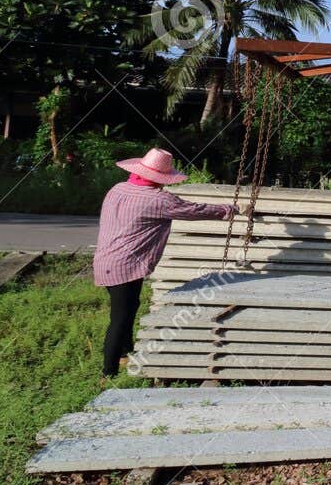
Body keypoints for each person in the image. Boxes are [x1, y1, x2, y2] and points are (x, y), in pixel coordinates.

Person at [92, 147, 235, 381]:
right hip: (125, 264)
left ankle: (124, 353)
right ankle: (108, 373)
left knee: (129, 306)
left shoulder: (117, 189)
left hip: (105, 259)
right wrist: (228, 210)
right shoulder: (158, 199)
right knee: (120, 317)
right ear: (161, 177)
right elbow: (194, 210)